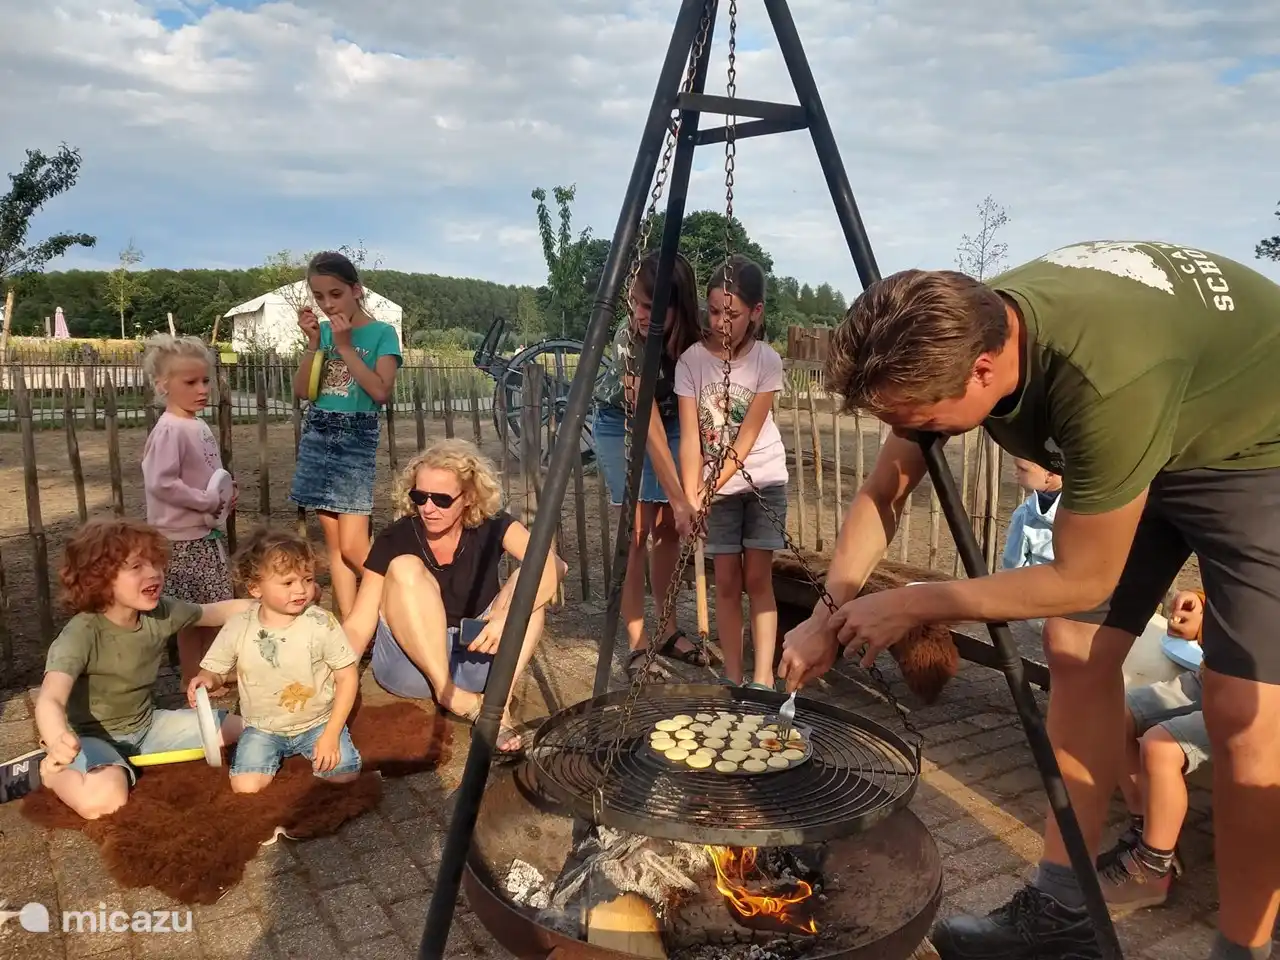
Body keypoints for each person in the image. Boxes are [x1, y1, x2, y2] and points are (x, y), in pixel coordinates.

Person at [776, 241, 1280, 960]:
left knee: (1242, 708)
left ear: (985, 370)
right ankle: (1063, 909)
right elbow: (885, 490)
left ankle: (1244, 948)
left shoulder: (1101, 380)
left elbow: (1084, 578)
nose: (916, 435)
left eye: (923, 420)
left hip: (1255, 442)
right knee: (1073, 649)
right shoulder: (954, 335)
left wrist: (917, 603)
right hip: (1147, 429)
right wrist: (830, 613)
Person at [342, 439, 567, 754]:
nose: (428, 508)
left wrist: (507, 617)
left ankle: (496, 706)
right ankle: (452, 695)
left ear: (469, 497)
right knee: (405, 568)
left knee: (529, 585)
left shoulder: (494, 525)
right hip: (412, 666)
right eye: (420, 497)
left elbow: (555, 567)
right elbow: (358, 624)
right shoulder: (397, 537)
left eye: (441, 499)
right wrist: (327, 680)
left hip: (476, 655)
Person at [18, 518, 246, 819]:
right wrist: (58, 738)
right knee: (105, 801)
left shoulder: (160, 612)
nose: (154, 573)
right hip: (89, 738)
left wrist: (274, 605)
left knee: (242, 729)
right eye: (136, 567)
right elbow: (51, 698)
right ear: (98, 579)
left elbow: (215, 612)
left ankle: (125, 760)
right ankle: (52, 772)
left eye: (155, 564)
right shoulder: (81, 634)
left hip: (147, 726)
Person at [592, 251, 706, 680]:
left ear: (679, 307)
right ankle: (638, 643)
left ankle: (667, 630)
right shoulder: (629, 339)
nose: (640, 314)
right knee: (637, 529)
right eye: (636, 303)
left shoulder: (695, 340)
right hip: (619, 420)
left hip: (674, 418)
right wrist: (678, 498)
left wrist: (687, 498)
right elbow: (648, 427)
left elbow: (690, 413)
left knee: (668, 531)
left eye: (652, 307)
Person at [676, 256, 788, 688]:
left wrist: (704, 490)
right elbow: (690, 439)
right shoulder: (691, 363)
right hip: (710, 488)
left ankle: (762, 681)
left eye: (733, 314)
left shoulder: (767, 362)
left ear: (755, 312)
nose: (722, 322)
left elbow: (745, 440)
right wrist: (690, 499)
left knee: (758, 577)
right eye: (715, 311)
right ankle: (734, 680)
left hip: (763, 481)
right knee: (724, 579)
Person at [189, 528, 361, 792]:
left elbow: (347, 676)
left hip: (318, 723)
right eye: (287, 583)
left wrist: (331, 734)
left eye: (307, 579)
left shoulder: (321, 622)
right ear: (255, 587)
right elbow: (214, 671)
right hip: (261, 728)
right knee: (246, 787)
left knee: (343, 776)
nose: (301, 590)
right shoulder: (238, 626)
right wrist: (205, 681)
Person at [291, 250, 402, 620]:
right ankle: (353, 632)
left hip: (354, 436)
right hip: (319, 431)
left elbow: (381, 392)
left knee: (356, 548)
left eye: (335, 294)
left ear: (356, 290)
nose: (326, 304)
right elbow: (304, 391)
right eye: (319, 297)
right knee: (335, 548)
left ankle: (406, 603)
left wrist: (342, 347)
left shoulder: (382, 334)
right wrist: (312, 344)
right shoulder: (321, 333)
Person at [1098, 588, 1207, 911]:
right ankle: (1151, 836)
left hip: (1257, 698)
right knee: (1109, 716)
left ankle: (1152, 869)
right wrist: (1200, 607)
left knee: (1161, 747)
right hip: (1209, 677)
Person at [140, 333, 237, 692]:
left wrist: (226, 490)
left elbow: (208, 472)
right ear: (163, 385)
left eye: (206, 380)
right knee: (192, 614)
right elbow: (161, 482)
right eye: (191, 382)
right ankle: (192, 677)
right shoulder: (169, 430)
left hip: (204, 534)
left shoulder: (195, 424)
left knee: (212, 608)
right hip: (181, 540)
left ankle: (208, 674)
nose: (202, 389)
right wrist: (205, 501)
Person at [1001, 458, 1061, 571]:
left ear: (1049, 474)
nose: (1016, 473)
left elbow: (1013, 564)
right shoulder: (1086, 510)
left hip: (1036, 584)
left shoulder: (1025, 514)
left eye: (1023, 469)